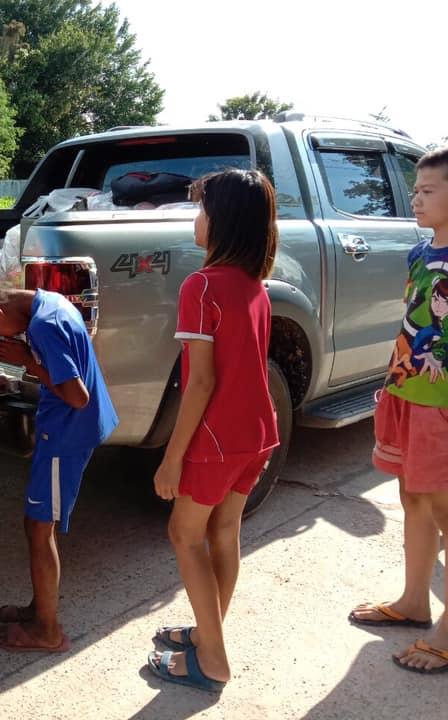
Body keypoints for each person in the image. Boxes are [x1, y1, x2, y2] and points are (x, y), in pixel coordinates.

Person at [146, 168, 280, 693]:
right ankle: (208, 635)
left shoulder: (200, 285)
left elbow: (200, 382)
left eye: (202, 209)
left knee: (184, 534)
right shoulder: (256, 286)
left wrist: (172, 457)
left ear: (222, 222)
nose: (195, 218)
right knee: (225, 532)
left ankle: (214, 659)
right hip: (258, 433)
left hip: (218, 438)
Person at [0, 282, 119, 653]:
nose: (2, 343)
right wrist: (26, 361)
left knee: (41, 530)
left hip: (66, 435)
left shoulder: (43, 326)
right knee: (34, 525)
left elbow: (77, 396)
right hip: (66, 428)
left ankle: (48, 632)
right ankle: (38, 608)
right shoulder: (50, 302)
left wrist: (27, 361)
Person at [348, 146, 448, 674]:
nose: (415, 198)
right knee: (413, 496)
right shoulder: (421, 254)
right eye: (416, 190)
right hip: (409, 392)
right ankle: (414, 601)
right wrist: (391, 383)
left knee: (443, 505)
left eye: (428, 191)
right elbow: (411, 325)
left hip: (442, 403)